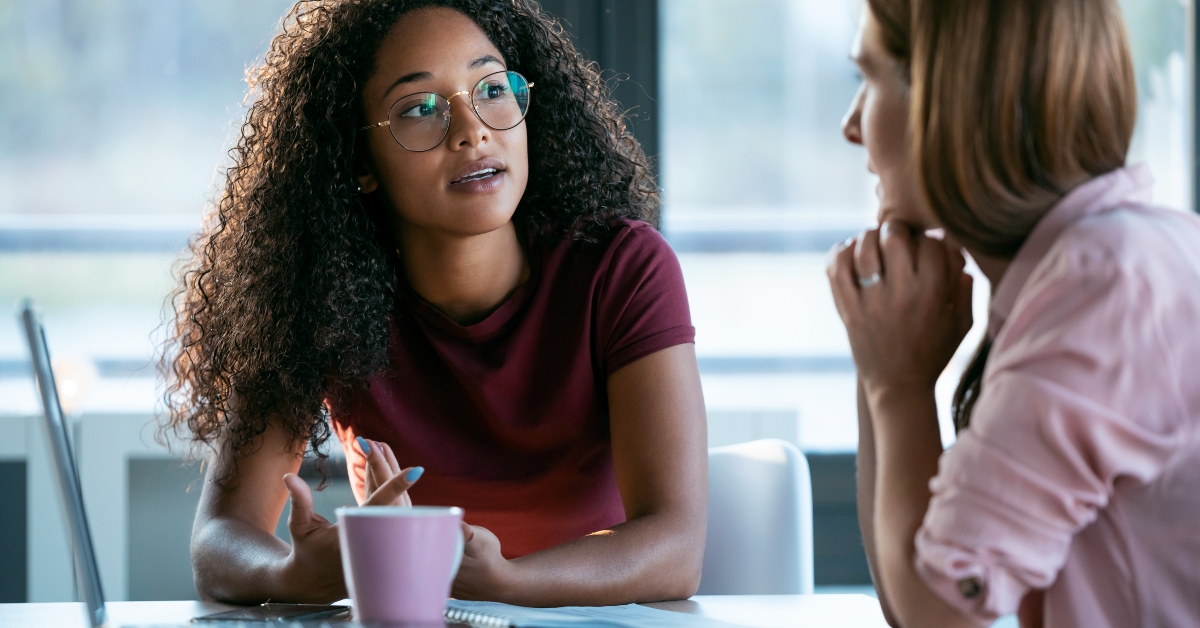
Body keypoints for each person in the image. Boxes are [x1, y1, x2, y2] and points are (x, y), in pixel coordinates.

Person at [161, 0, 707, 607]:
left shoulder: (623, 269)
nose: (472, 128)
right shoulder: (314, 293)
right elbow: (219, 538)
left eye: (492, 88)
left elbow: (676, 549)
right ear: (359, 161)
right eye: (419, 108)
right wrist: (286, 574)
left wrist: (509, 583)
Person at [829, 0, 1200, 626]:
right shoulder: (1117, 261)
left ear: (951, 100)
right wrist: (885, 370)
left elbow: (940, 615)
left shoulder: (1099, 292)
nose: (851, 124)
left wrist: (897, 386)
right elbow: (913, 599)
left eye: (869, 78)